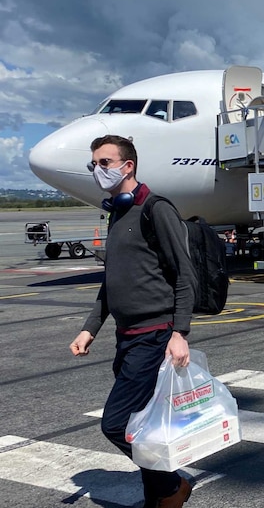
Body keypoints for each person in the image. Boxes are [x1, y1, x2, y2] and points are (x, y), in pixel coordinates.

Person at [69, 135, 196, 508]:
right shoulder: (117, 212)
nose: (98, 170)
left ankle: (172, 488)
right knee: (141, 426)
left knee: (116, 424)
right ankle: (158, 496)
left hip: (154, 335)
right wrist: (90, 326)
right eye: (93, 164)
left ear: (128, 167)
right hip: (127, 336)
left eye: (105, 162)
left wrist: (180, 332)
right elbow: (112, 282)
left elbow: (185, 274)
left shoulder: (156, 209)